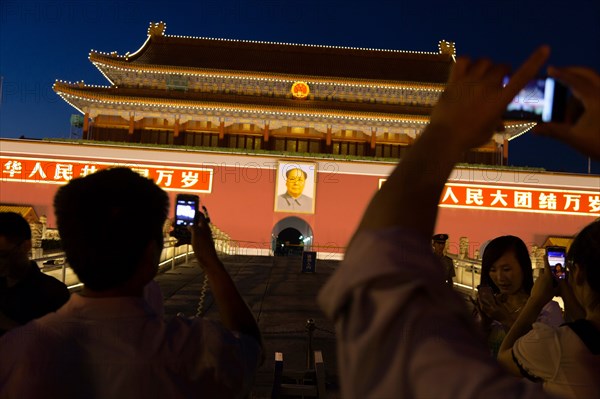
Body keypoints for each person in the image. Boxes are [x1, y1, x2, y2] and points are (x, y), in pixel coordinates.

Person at [317, 46, 600, 397]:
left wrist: (444, 133)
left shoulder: (560, 348)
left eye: (507, 268)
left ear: (580, 278)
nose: (500, 276)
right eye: (494, 268)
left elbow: (384, 321)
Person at [0, 168, 263, 398]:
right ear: (151, 254)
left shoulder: (14, 351)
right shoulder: (194, 349)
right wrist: (210, 263)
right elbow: (251, 348)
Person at [498, 220, 600, 398]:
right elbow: (587, 331)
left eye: (506, 268)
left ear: (578, 273)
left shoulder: (555, 344)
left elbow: (503, 360)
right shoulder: (578, 338)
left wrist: (535, 300)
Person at [476, 235, 563, 356]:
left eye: (506, 269)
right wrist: (483, 325)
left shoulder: (547, 310)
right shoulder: (491, 307)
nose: (500, 278)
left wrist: (506, 320)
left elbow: (546, 355)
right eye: (492, 270)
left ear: (524, 267)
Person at [0, 212, 70, 336]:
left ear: (27, 246)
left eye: (3, 255)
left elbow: (61, 345)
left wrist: (8, 325)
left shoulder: (55, 293)